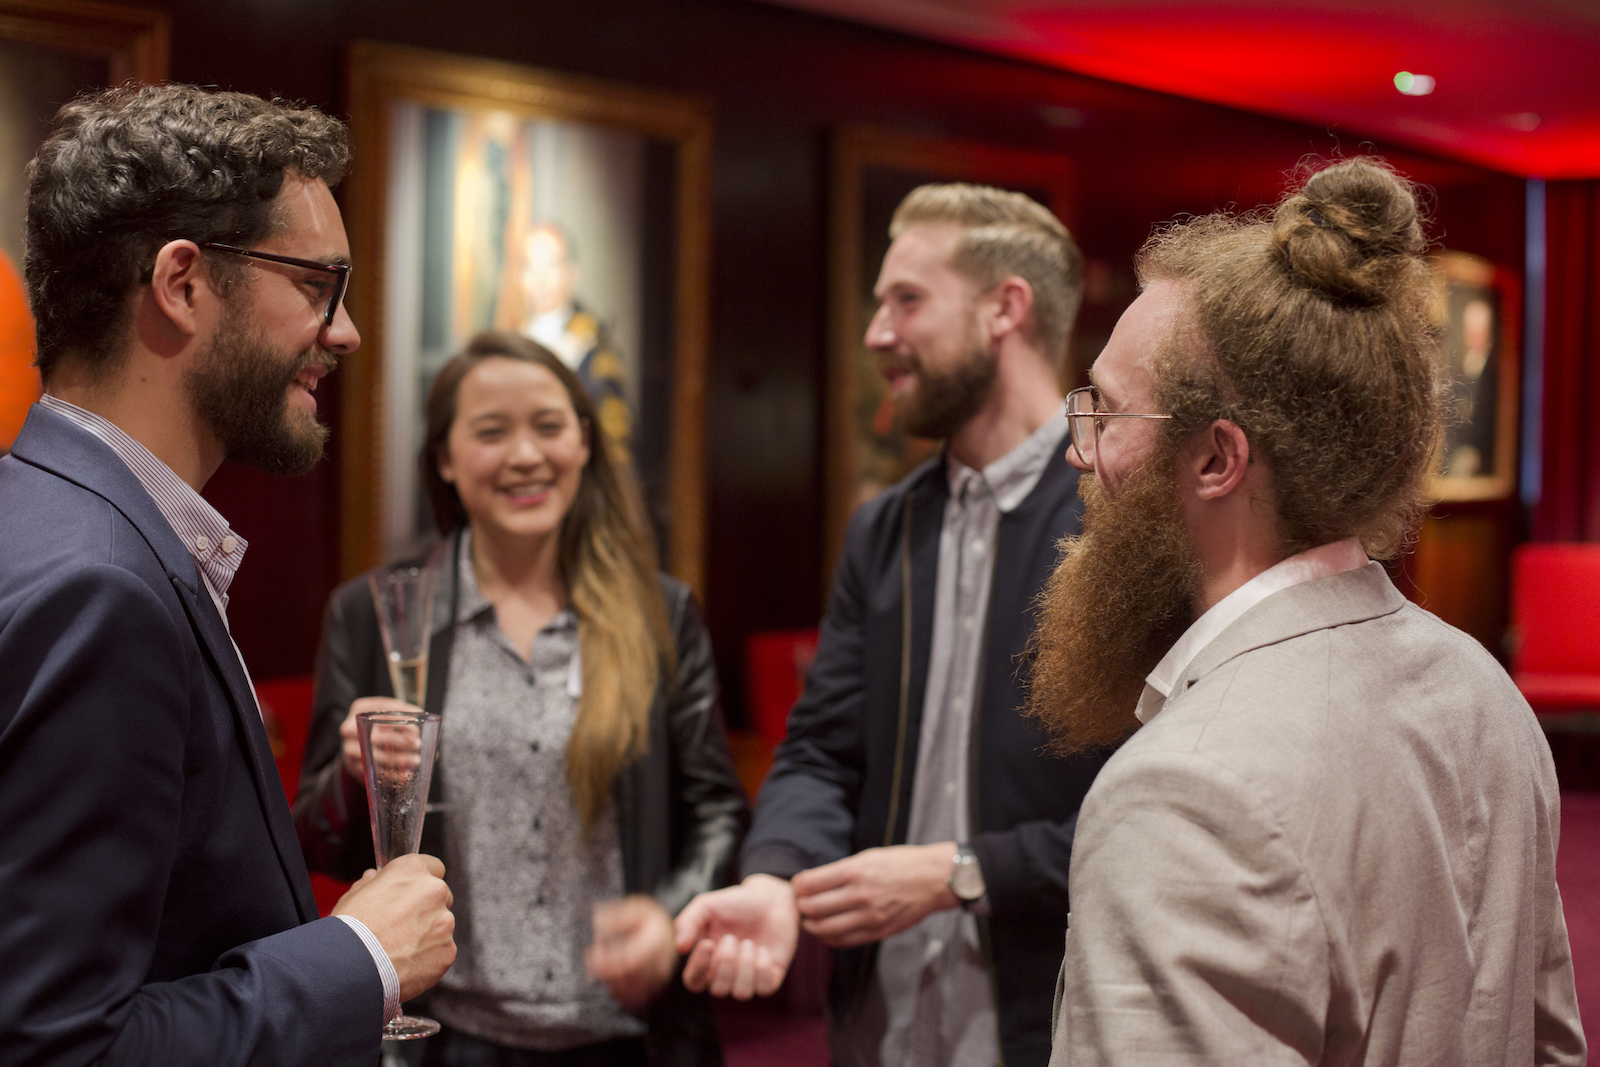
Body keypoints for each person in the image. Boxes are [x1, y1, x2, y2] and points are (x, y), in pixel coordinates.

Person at [1028, 157, 1587, 1064]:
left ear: (1217, 458)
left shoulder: (1183, 791)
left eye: (1106, 412)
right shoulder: (1481, 685)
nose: (1079, 454)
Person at [0, 84, 455, 1066]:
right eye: (317, 284)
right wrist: (362, 952)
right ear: (182, 282)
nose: (346, 331)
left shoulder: (40, 507)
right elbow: (61, 1045)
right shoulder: (100, 587)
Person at [675, 183, 1106, 1067]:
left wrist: (962, 873)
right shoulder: (886, 526)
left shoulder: (1124, 521)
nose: (876, 334)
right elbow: (821, 749)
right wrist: (774, 878)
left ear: (1005, 308)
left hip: (1058, 1019)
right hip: (883, 1021)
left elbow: (1159, 813)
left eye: (906, 299)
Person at [294, 330, 747, 1067]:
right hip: (453, 1037)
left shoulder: (660, 615)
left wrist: (667, 917)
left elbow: (718, 807)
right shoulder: (375, 616)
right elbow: (314, 834)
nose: (525, 455)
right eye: (491, 432)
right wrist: (357, 775)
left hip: (634, 1038)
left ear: (585, 442)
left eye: (547, 426)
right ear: (444, 457)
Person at [520, 222, 631, 462]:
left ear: (572, 273)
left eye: (551, 266)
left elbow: (613, 438)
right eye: (531, 267)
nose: (540, 279)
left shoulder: (594, 346)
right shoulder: (514, 341)